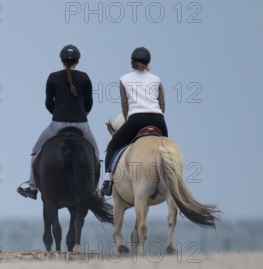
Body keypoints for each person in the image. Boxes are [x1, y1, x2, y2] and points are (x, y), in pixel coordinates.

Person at [17, 44, 99, 200]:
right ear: (78, 61)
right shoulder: (85, 77)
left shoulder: (53, 77)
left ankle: (33, 187)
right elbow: (89, 103)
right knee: (95, 153)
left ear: (61, 60)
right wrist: (82, 114)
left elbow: (48, 103)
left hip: (58, 124)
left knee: (35, 151)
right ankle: (95, 189)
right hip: (82, 125)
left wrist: (58, 114)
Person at [99, 47, 168, 196]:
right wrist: (157, 116)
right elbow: (162, 104)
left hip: (136, 119)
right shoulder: (156, 79)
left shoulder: (124, 79)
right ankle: (171, 181)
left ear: (132, 62)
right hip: (158, 120)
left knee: (112, 146)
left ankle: (107, 182)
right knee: (168, 152)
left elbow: (125, 106)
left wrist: (130, 120)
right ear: (148, 62)